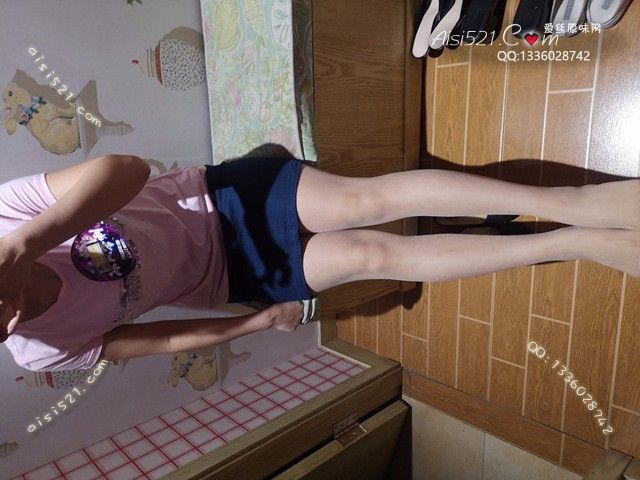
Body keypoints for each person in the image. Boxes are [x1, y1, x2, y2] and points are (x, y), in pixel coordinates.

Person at [0, 154, 638, 372]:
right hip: (231, 276)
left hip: (221, 200)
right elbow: (160, 339)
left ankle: (574, 202)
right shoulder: (39, 352)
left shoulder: (7, 216)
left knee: (366, 201)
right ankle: (571, 243)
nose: (8, 321)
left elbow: (128, 171)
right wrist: (254, 322)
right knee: (372, 253)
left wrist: (25, 245)